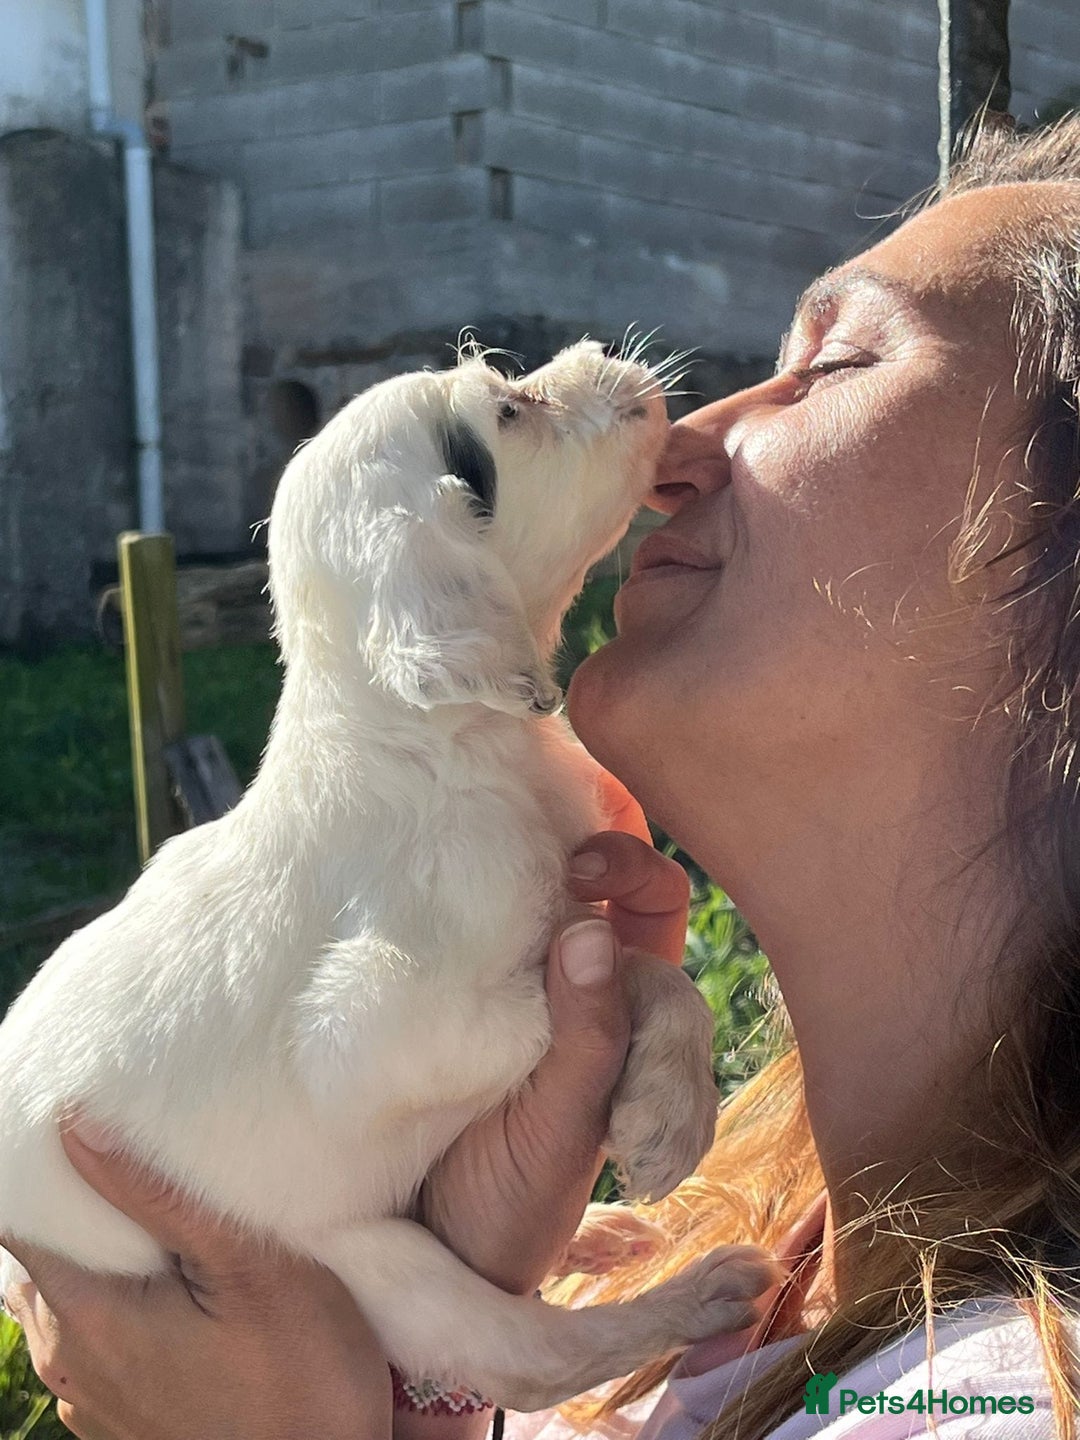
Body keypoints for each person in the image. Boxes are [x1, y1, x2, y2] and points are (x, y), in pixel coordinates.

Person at [7, 112, 1080, 1439]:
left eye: (838, 363)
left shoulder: (996, 1404)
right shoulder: (705, 1243)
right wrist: (431, 1344)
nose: (684, 449)